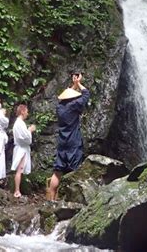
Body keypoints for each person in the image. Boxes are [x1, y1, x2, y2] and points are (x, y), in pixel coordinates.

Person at [47, 71, 90, 201]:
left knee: (57, 172)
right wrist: (79, 84)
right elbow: (86, 94)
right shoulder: (74, 106)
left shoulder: (60, 107)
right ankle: (73, 200)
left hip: (62, 142)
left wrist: (74, 84)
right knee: (74, 172)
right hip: (73, 142)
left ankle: (51, 201)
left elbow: (66, 97)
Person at [11, 104, 36, 198]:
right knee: (19, 169)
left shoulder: (20, 123)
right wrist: (30, 130)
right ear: (22, 111)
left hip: (23, 148)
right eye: (26, 111)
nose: (27, 113)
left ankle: (18, 190)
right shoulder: (19, 123)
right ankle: (16, 191)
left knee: (20, 169)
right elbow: (24, 137)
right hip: (21, 148)